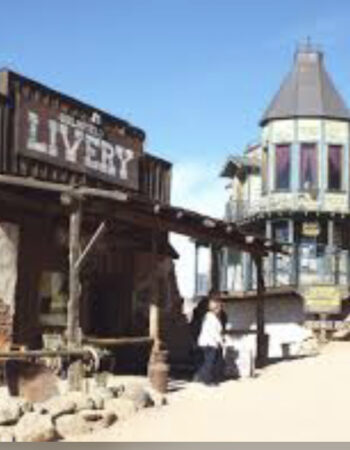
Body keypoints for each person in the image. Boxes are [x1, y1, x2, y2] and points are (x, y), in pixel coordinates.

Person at [194, 297, 226, 385]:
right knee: (209, 361)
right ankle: (207, 380)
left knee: (207, 361)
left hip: (206, 342)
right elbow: (214, 332)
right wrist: (221, 342)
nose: (219, 310)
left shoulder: (209, 317)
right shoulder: (211, 318)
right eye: (218, 308)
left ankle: (203, 377)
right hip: (209, 342)